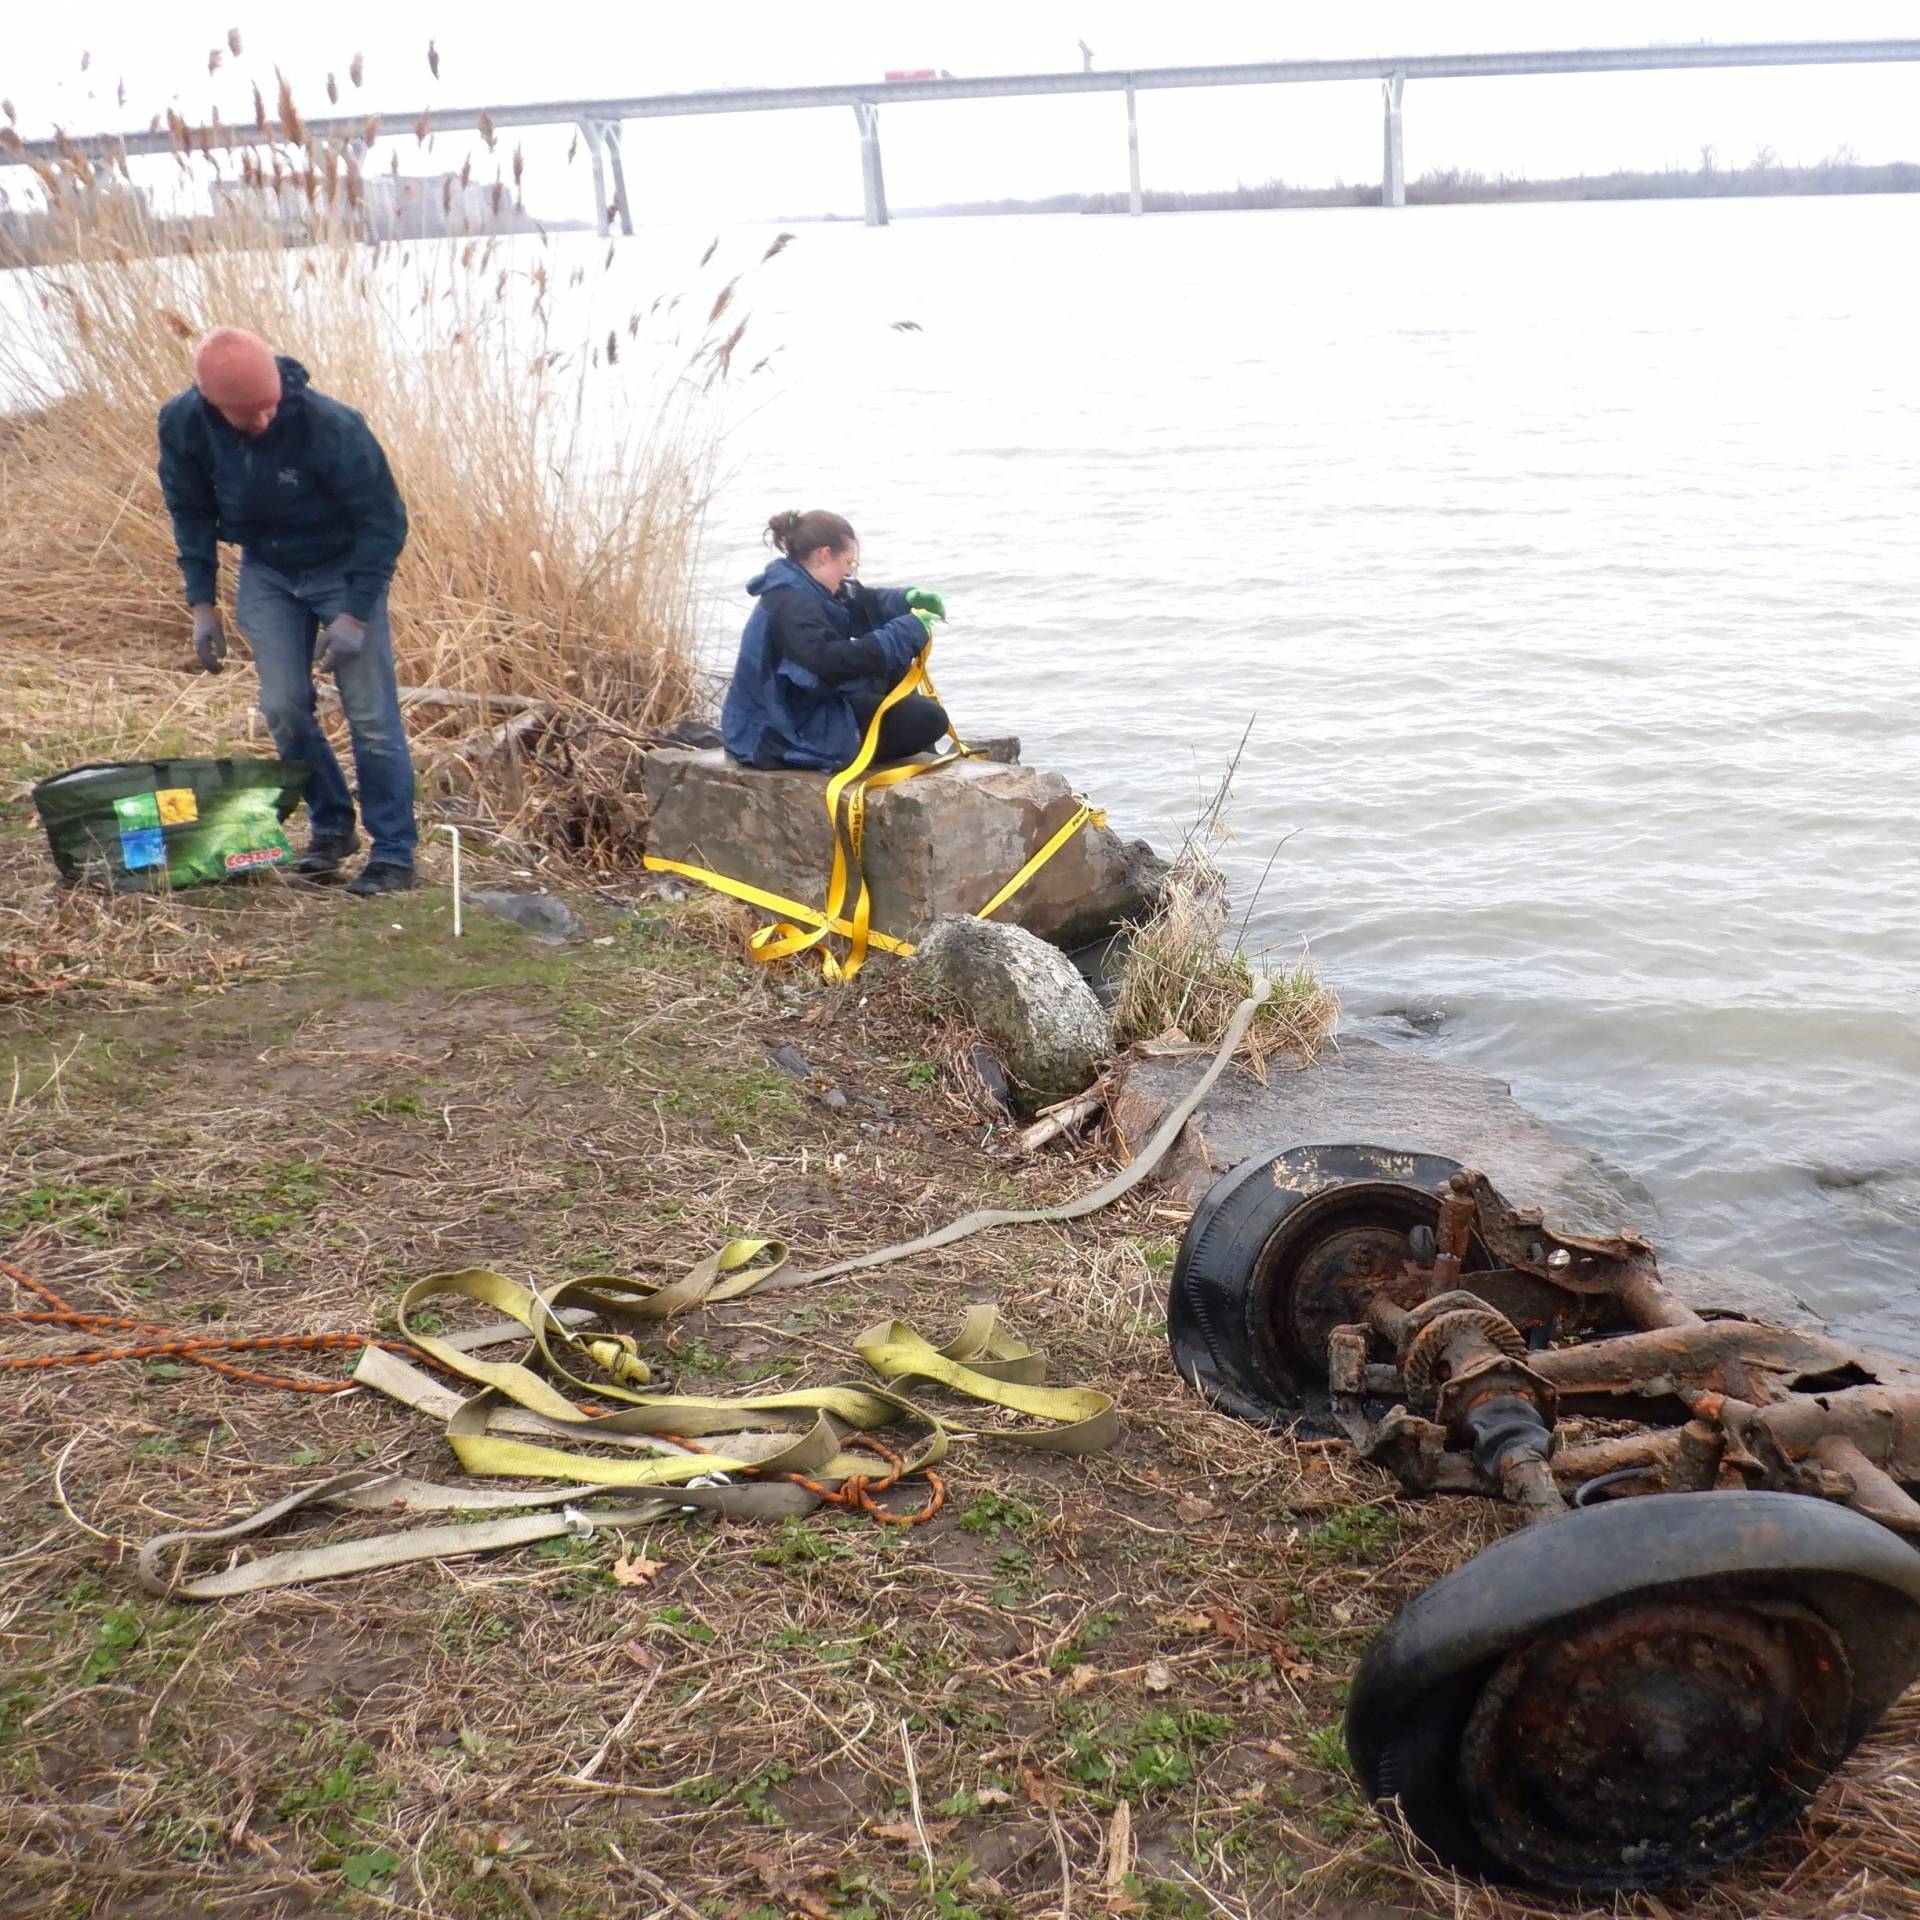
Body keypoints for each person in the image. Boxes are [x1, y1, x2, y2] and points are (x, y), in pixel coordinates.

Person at [156, 326, 418, 897]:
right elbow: (189, 510)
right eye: (248, 414)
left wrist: (355, 613)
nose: (265, 420)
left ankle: (394, 853)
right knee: (282, 706)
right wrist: (202, 603)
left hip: (343, 566)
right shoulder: (184, 422)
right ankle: (331, 828)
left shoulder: (332, 426)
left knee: (371, 716)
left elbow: (385, 521)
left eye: (271, 406)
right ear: (213, 404)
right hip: (268, 570)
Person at [721, 509, 950, 771]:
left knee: (896, 667)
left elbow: (863, 602)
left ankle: (924, 754)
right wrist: (905, 632)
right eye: (849, 562)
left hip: (802, 704)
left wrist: (905, 600)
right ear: (824, 555)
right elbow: (830, 663)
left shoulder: (807, 584)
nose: (849, 570)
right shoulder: (792, 603)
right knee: (929, 719)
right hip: (775, 729)